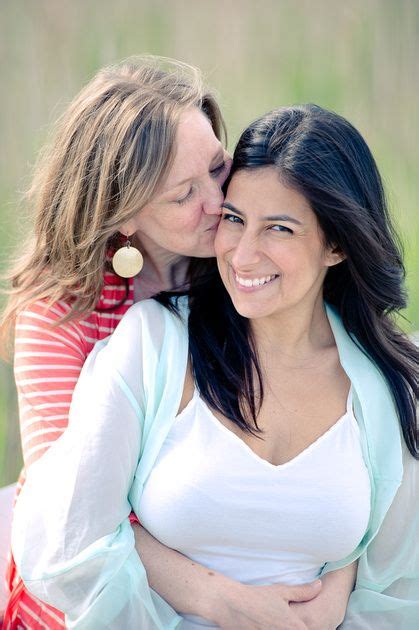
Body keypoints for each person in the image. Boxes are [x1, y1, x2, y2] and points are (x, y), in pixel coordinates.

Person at [10, 104, 419, 629]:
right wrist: (221, 604)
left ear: (337, 244)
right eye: (235, 219)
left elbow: (399, 591)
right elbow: (67, 534)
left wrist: (348, 571)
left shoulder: (391, 385)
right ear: (130, 213)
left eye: (279, 229)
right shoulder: (147, 341)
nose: (243, 254)